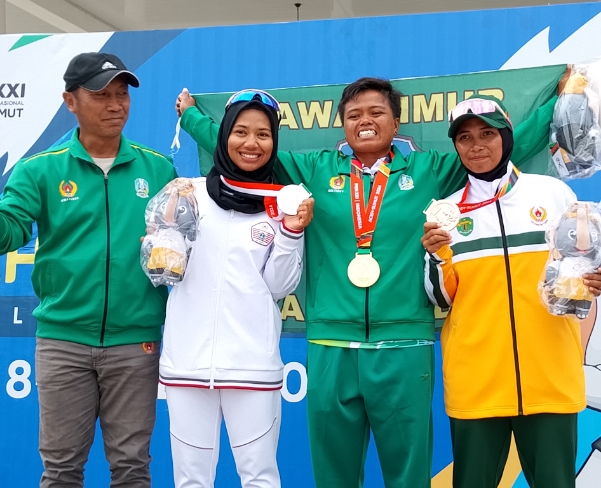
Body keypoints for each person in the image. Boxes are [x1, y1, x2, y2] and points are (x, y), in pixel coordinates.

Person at [175, 74, 565, 487]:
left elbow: (508, 145)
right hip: (331, 345)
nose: (365, 120)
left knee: (408, 476)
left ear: (396, 124)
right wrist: (192, 118)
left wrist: (555, 105)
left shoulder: (430, 170)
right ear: (343, 124)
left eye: (377, 112)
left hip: (405, 344)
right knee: (334, 478)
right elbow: (247, 153)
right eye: (354, 114)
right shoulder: (315, 169)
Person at [0, 52, 176, 487]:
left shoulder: (158, 168)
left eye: (122, 94)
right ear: (70, 101)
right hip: (63, 342)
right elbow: (10, 230)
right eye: (101, 95)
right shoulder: (40, 169)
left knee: (132, 469)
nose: (116, 105)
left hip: (136, 342)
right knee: (61, 471)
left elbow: (180, 243)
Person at [421, 94, 601, 488]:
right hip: (477, 383)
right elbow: (440, 298)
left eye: (487, 134)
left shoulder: (553, 194)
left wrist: (590, 281)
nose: (476, 146)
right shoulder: (446, 213)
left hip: (549, 377)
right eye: (465, 138)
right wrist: (437, 256)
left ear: (506, 137)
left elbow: (578, 274)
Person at [159, 90, 314, 488]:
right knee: (190, 481)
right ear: (224, 134)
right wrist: (164, 235)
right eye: (241, 132)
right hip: (187, 366)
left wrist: (291, 232)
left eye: (263, 134)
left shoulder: (283, 203)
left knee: (259, 478)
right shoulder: (188, 192)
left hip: (253, 367)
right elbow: (164, 271)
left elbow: (279, 286)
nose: (251, 143)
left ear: (274, 142)